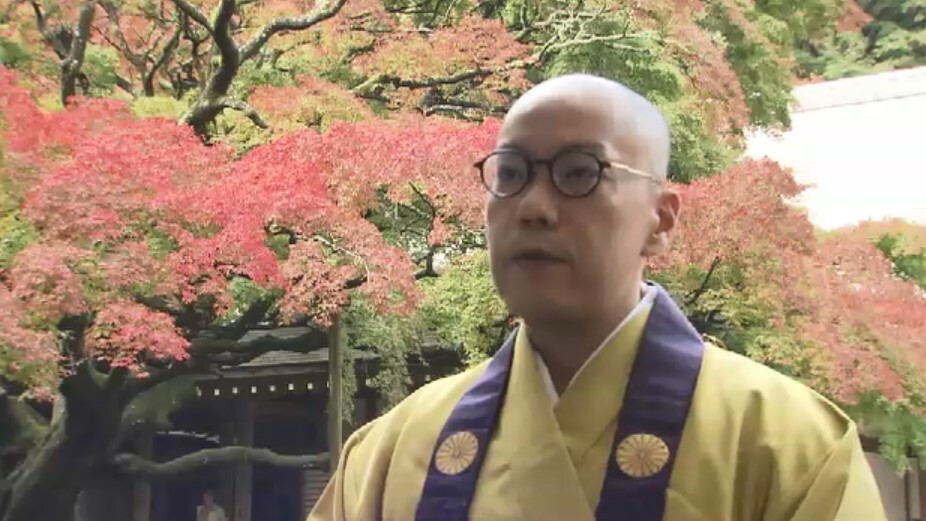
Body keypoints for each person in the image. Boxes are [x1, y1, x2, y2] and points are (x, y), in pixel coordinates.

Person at [307, 74, 887, 521]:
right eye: (510, 173)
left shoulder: (785, 443)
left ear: (660, 221)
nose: (533, 206)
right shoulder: (392, 448)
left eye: (579, 172)